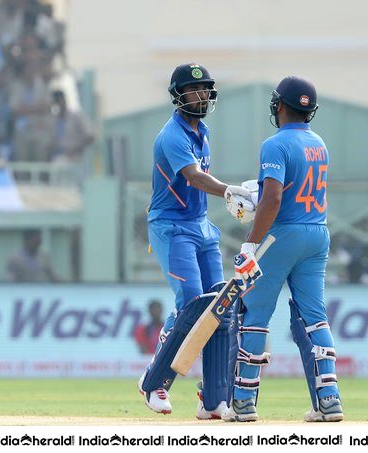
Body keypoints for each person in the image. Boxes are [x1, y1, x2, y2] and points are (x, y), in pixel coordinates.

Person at [223, 76, 343, 423]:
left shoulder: (274, 145)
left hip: (282, 235)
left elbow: (274, 198)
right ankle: (329, 399)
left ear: (280, 106)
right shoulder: (319, 143)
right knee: (314, 316)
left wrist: (249, 243)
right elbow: (284, 191)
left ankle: (244, 401)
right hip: (317, 232)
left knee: (254, 313)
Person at [137, 63, 254, 419]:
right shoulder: (171, 136)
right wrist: (229, 191)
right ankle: (154, 381)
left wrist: (225, 193)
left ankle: (214, 398)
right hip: (171, 228)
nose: (202, 95)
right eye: (194, 90)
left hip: (200, 226)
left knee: (220, 305)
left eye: (205, 89)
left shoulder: (201, 131)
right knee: (192, 304)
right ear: (178, 95)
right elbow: (194, 177)